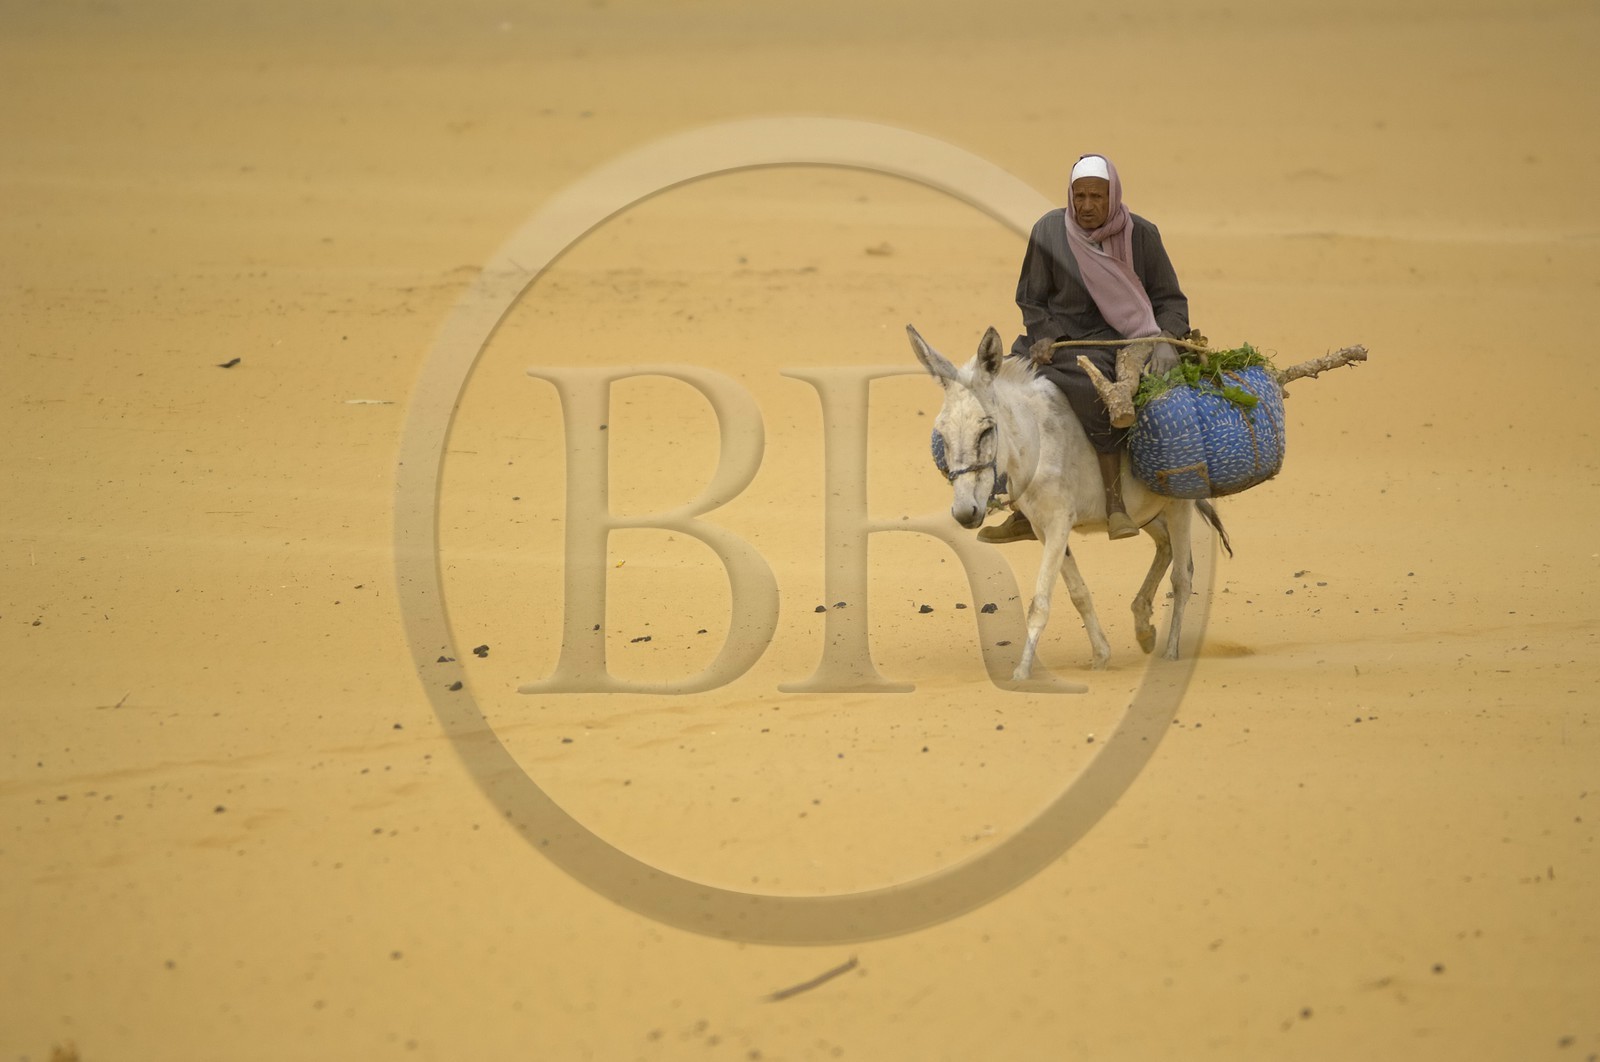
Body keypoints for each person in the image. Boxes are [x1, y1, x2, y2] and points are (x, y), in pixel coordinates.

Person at [980, 153, 1189, 543]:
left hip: (1109, 344)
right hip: (1051, 340)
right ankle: (1019, 507)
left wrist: (1164, 343)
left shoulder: (1141, 235)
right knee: (998, 389)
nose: (1087, 206)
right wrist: (1044, 334)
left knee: (1087, 388)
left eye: (1097, 197)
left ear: (1112, 197)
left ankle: (1114, 505)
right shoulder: (1049, 231)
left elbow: (1171, 300)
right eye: (1080, 197)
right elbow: (1032, 298)